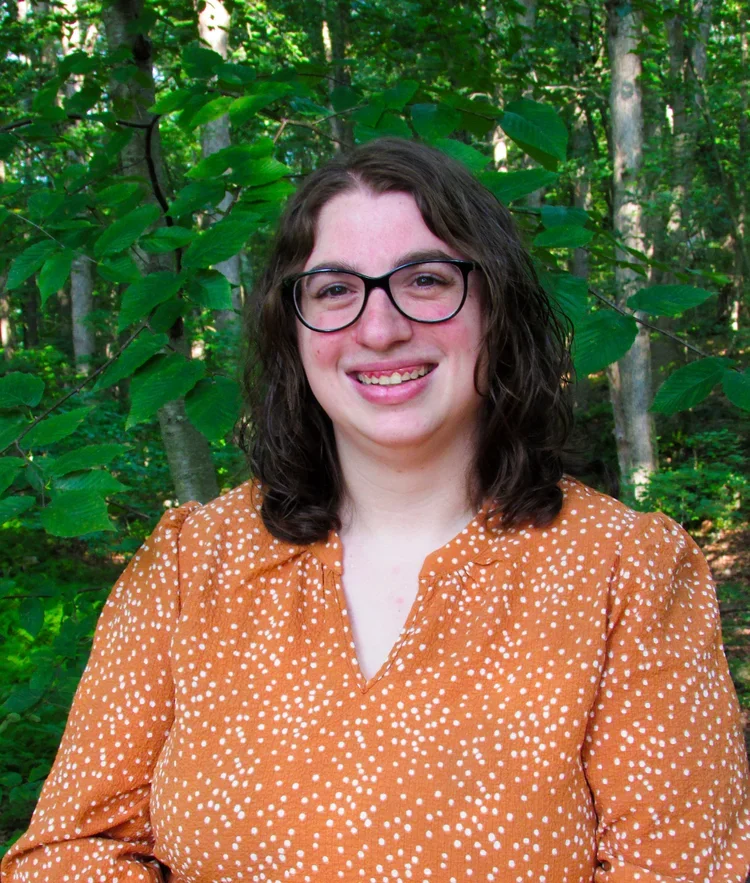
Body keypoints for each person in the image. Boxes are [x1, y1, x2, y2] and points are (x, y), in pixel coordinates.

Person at [2, 138, 750, 883]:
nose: (380, 327)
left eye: (424, 279)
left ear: (496, 303)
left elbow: (684, 868)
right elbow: (71, 849)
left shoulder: (625, 572)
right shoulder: (192, 565)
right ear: (292, 331)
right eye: (334, 290)